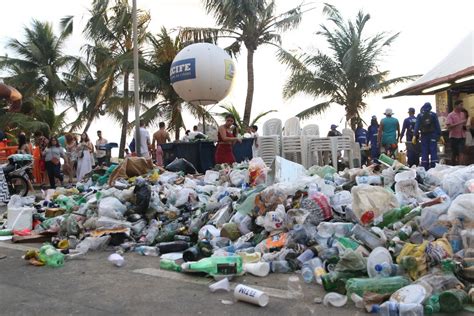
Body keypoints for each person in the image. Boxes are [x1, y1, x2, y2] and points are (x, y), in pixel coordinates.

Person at [414, 102, 441, 170]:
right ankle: (434, 166)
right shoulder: (433, 115)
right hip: (433, 135)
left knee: (424, 150)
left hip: (424, 135)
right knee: (433, 150)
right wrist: (440, 135)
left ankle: (424, 166)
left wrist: (414, 135)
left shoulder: (420, 115)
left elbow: (416, 126)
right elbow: (437, 125)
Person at [446, 100, 467, 165]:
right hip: (454, 137)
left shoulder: (463, 114)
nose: (462, 106)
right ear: (456, 106)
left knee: (461, 152)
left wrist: (465, 126)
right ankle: (453, 166)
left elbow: (463, 124)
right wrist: (460, 123)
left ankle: (461, 167)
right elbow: (449, 126)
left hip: (462, 136)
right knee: (454, 153)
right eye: (461, 105)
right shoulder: (450, 115)